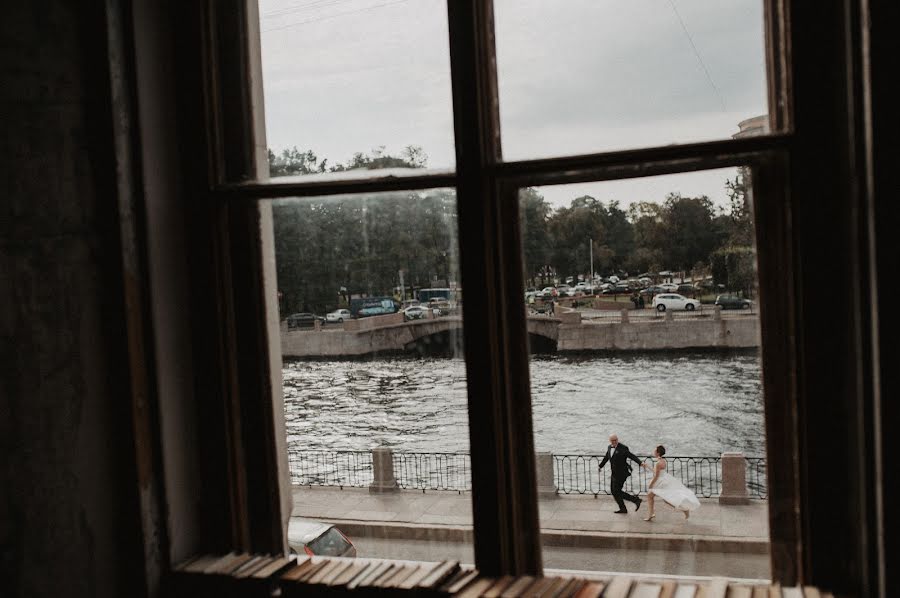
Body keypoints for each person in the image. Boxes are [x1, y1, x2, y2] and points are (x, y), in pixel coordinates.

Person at [640, 445, 701, 521]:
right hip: (663, 480)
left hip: (659, 482)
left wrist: (651, 484)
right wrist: (647, 466)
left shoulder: (658, 463)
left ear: (658, 453)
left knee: (658, 498)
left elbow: (656, 476)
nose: (654, 452)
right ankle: (651, 513)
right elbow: (657, 472)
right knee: (653, 497)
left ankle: (684, 509)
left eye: (655, 451)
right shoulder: (662, 461)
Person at [598, 434, 643, 513]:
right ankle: (623, 508)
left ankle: (636, 500)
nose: (614, 442)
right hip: (614, 473)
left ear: (617, 439)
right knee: (614, 491)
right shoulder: (609, 447)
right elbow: (606, 457)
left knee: (617, 491)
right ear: (610, 441)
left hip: (622, 474)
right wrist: (600, 466)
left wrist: (640, 462)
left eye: (615, 440)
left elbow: (631, 456)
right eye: (612, 440)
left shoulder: (623, 448)